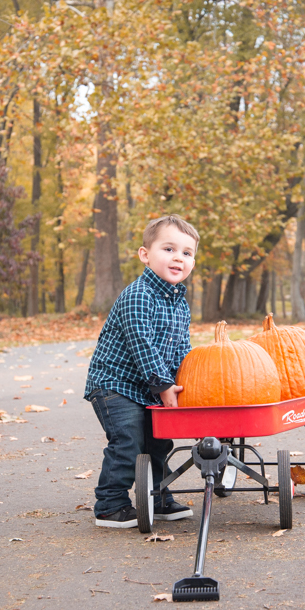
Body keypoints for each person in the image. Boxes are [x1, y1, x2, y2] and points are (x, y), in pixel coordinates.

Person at [83, 215, 199, 528]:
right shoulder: (138, 296)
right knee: (128, 440)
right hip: (115, 385)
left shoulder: (180, 304)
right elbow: (142, 346)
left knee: (159, 442)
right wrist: (163, 385)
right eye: (169, 249)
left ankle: (157, 497)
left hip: (149, 387)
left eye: (187, 253)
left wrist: (190, 383)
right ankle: (110, 504)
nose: (178, 257)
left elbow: (181, 351)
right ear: (145, 255)